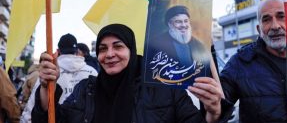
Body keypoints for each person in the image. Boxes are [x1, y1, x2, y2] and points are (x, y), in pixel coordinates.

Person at [31, 24, 224, 123]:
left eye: (118, 46)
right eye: (102, 49)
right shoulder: (85, 90)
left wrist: (213, 113)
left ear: (131, 51)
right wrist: (47, 88)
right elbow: (52, 120)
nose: (109, 54)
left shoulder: (165, 88)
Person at [21, 33, 98, 123]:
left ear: (58, 51)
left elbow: (31, 111)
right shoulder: (92, 72)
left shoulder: (49, 73)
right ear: (77, 51)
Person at [147, 5, 210, 85]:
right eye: (178, 22)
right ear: (169, 24)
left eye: (186, 21)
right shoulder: (155, 44)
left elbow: (206, 71)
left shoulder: (199, 46)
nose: (183, 25)